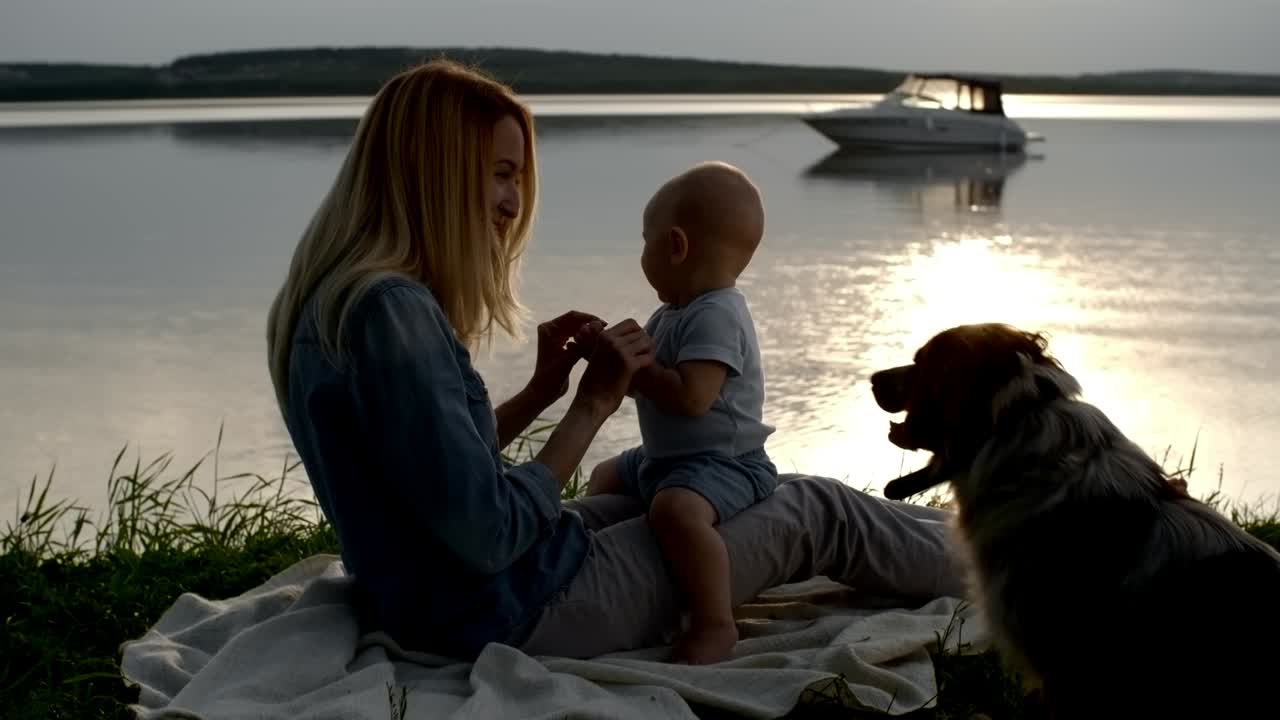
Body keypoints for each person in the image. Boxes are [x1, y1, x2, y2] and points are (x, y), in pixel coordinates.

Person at [265, 59, 968, 665]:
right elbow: (490, 533)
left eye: (517, 178)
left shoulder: (339, 300)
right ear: (436, 171)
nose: (513, 203)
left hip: (441, 601)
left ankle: (980, 530)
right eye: (501, 175)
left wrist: (541, 391)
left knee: (660, 499)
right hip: (511, 607)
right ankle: (1008, 560)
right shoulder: (395, 312)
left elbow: (438, 480)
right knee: (818, 509)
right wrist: (592, 405)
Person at [585, 160, 778, 664]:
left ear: (675, 245)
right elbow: (651, 388)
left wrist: (641, 370)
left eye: (644, 241)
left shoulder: (718, 314)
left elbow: (693, 398)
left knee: (676, 512)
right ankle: (610, 567)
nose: (641, 253)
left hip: (725, 462)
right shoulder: (671, 312)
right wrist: (611, 362)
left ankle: (715, 622)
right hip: (666, 459)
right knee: (605, 475)